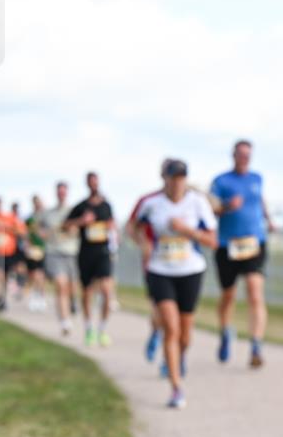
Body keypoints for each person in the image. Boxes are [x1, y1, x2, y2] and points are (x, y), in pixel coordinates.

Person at [134, 158, 218, 408]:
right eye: (173, 176)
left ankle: (179, 358)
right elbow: (135, 227)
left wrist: (186, 230)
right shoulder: (151, 204)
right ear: (165, 178)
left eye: (182, 176)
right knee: (171, 328)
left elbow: (212, 241)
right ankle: (176, 387)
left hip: (190, 270)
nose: (177, 181)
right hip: (160, 270)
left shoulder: (198, 203)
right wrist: (144, 244)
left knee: (185, 333)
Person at [211, 139, 274, 367]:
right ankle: (226, 332)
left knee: (255, 292)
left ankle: (256, 344)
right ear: (233, 155)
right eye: (241, 154)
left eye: (248, 155)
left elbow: (260, 201)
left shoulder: (257, 179)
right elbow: (211, 208)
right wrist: (228, 206)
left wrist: (269, 220)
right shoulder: (220, 181)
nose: (244, 158)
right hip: (228, 245)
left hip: (255, 243)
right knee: (228, 296)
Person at [65, 172, 116, 347]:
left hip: (103, 252)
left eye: (96, 182)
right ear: (87, 184)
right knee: (87, 292)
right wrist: (82, 221)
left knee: (107, 291)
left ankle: (102, 329)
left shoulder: (106, 205)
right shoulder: (81, 206)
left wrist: (112, 229)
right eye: (91, 182)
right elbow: (66, 225)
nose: (94, 185)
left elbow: (112, 224)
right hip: (86, 253)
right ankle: (89, 329)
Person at [126, 162, 168, 370]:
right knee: (160, 308)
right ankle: (156, 333)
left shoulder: (191, 200)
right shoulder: (148, 201)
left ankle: (171, 359)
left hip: (184, 266)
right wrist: (143, 244)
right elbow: (131, 226)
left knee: (178, 316)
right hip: (155, 264)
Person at [38, 181, 80, 336]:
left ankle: (73, 302)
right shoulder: (48, 213)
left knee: (71, 287)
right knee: (60, 285)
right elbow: (39, 229)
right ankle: (65, 322)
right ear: (56, 193)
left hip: (71, 253)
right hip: (54, 253)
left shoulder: (74, 211)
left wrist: (71, 228)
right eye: (59, 191)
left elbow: (79, 229)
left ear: (67, 193)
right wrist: (44, 234)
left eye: (64, 191)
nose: (61, 194)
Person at [24, 195, 49, 312]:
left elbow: (47, 234)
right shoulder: (30, 219)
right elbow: (27, 234)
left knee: (40, 274)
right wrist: (27, 246)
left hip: (42, 249)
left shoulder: (45, 218)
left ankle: (41, 296)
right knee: (33, 274)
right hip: (32, 249)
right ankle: (36, 295)